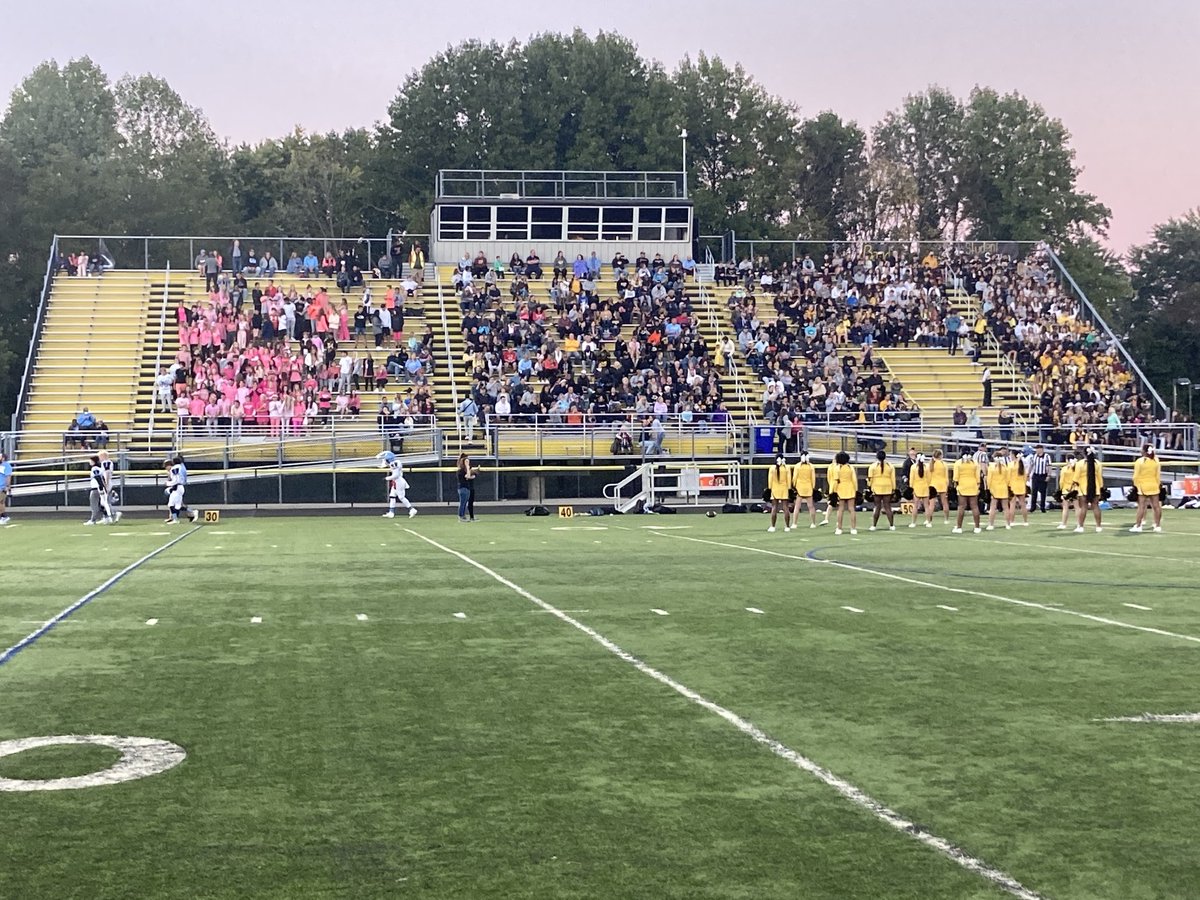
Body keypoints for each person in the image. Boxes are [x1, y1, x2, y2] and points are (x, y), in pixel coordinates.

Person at [1129, 444, 1163, 533]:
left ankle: (1138, 525)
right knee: (1156, 506)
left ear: (1144, 451)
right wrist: (1158, 484)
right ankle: (1157, 525)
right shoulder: (1156, 460)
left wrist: (1135, 486)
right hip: (1154, 485)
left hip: (1142, 486)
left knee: (1141, 506)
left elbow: (1135, 476)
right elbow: (1158, 475)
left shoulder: (1140, 461)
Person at [826, 451, 858, 535]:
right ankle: (853, 528)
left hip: (840, 489)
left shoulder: (836, 468)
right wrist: (856, 490)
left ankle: (839, 528)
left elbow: (835, 481)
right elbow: (854, 480)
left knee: (840, 510)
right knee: (851, 509)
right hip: (850, 488)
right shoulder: (850, 467)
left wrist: (833, 492)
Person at [378, 450, 417, 519]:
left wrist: (387, 478)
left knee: (401, 497)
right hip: (396, 482)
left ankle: (412, 509)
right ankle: (391, 512)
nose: (385, 461)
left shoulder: (394, 464)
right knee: (392, 496)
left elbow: (395, 475)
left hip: (399, 482)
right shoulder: (396, 462)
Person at [1075, 447, 1104, 533]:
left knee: (1083, 507)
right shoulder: (1098, 463)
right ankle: (1098, 526)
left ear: (1084, 454)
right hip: (1095, 487)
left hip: (1083, 487)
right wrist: (1101, 488)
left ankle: (1080, 526)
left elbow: (1076, 477)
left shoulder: (1080, 463)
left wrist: (1074, 488)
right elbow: (1100, 477)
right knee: (1095, 506)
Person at [953, 451, 982, 534]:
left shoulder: (958, 463)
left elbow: (955, 478)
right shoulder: (974, 463)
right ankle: (977, 527)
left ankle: (959, 527)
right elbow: (978, 477)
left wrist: (956, 486)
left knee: (961, 507)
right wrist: (978, 486)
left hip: (962, 486)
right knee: (975, 507)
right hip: (973, 486)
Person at [164, 455, 199, 524]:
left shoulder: (175, 468)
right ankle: (177, 518)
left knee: (171, 504)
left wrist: (168, 484)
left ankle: (176, 519)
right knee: (177, 505)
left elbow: (176, 480)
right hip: (180, 487)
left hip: (177, 487)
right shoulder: (181, 467)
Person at [866, 450, 896, 531]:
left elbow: (870, 478)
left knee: (877, 507)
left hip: (876, 488)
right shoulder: (890, 466)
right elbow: (893, 479)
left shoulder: (872, 466)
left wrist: (869, 486)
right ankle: (892, 525)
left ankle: (874, 525)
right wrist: (893, 488)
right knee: (887, 507)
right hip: (888, 487)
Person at [789, 452, 819, 529]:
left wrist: (794, 486)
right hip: (808, 487)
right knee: (811, 506)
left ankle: (794, 523)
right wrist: (813, 487)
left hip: (799, 488)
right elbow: (813, 479)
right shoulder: (811, 466)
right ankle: (813, 523)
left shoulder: (797, 466)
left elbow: (794, 478)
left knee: (797, 506)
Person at [985, 448, 1010, 530]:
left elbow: (989, 479)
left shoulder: (991, 467)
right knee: (1005, 507)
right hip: (1003, 488)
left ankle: (991, 524)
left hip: (994, 489)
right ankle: (1007, 524)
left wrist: (989, 489)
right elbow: (1007, 479)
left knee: (993, 507)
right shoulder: (1005, 467)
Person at [766, 456, 792, 533]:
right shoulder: (787, 468)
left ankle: (773, 526)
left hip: (775, 489)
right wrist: (789, 488)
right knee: (785, 508)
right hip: (784, 489)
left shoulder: (772, 468)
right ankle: (787, 527)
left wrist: (770, 488)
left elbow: (769, 481)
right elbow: (789, 480)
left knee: (774, 508)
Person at [86, 454, 114, 525]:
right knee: (101, 504)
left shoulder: (95, 468)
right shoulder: (99, 468)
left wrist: (102, 486)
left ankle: (93, 520)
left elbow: (98, 478)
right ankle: (108, 517)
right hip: (100, 487)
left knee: (94, 505)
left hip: (96, 488)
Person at [1056, 452, 1080, 531]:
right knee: (1077, 507)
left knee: (1065, 508)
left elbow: (1061, 481)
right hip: (1075, 489)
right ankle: (1079, 524)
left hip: (1066, 490)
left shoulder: (1064, 469)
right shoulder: (1077, 468)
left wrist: (1060, 489)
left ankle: (1063, 524)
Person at [908, 453, 934, 528]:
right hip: (925, 488)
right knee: (926, 506)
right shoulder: (927, 467)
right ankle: (929, 522)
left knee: (915, 506)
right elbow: (929, 479)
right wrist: (928, 486)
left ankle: (913, 522)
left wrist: (911, 487)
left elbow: (911, 479)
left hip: (916, 488)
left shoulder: (913, 467)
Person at [1007, 448, 1029, 527]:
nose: (1009, 456)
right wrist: (1024, 484)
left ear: (1013, 455)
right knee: (1023, 504)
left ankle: (1011, 521)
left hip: (1013, 486)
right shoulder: (1021, 464)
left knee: (1012, 504)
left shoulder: (1011, 464)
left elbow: (1008, 476)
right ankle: (1025, 521)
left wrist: (1008, 485)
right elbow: (1025, 476)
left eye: (1010, 454)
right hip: (1021, 486)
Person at [929, 448, 951, 525]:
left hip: (933, 485)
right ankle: (946, 519)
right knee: (944, 503)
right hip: (942, 484)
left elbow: (929, 476)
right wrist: (947, 486)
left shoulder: (931, 464)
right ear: (940, 455)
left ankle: (929, 521)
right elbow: (946, 477)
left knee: (931, 504)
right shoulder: (943, 464)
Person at [1028, 444, 1051, 513]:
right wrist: (1028, 474)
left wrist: (1048, 475)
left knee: (1043, 492)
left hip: (1043, 475)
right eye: (1036, 449)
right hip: (1036, 475)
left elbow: (1049, 466)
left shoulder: (1047, 456)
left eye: (1038, 449)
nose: (1037, 450)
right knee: (1034, 491)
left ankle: (1042, 507)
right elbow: (1031, 465)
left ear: (1041, 449)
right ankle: (1033, 507)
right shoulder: (1034, 456)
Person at [456, 453, 477, 522]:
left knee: (465, 503)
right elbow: (467, 476)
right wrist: (467, 467)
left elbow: (471, 476)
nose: (468, 462)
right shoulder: (461, 470)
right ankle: (461, 516)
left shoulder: (464, 470)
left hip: (466, 488)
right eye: (467, 461)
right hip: (463, 488)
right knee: (462, 503)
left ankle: (463, 516)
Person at [0, 450, 12, 525]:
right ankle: (3, 516)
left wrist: (7, 486)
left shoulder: (6, 466)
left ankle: (3, 516)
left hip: (2, 487)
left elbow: (8, 476)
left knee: (1, 502)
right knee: (1, 502)